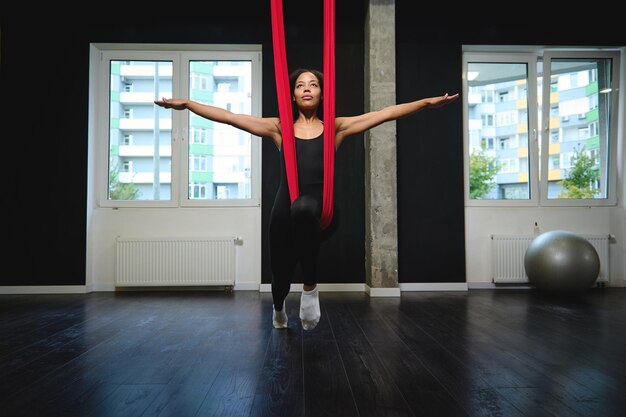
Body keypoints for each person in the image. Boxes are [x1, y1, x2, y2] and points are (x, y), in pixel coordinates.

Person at [155, 68, 458, 331]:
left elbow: (385, 114)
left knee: (302, 208)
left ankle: (310, 289)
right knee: (280, 276)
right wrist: (187, 104)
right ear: (293, 96)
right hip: (283, 213)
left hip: (321, 211)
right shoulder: (279, 128)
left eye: (313, 84)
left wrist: (427, 103)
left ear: (322, 94)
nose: (307, 88)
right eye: (300, 85)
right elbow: (230, 117)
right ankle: (278, 309)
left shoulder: (335, 128)